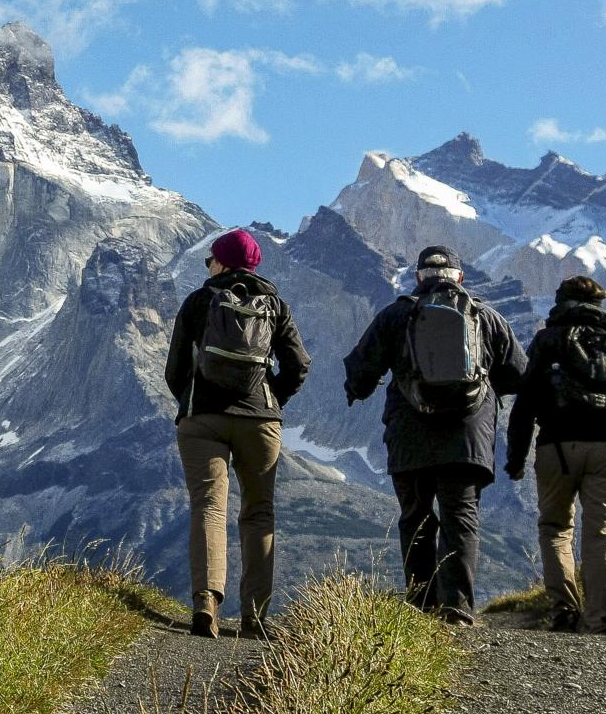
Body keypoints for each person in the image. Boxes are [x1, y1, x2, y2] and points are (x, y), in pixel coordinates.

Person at [343, 245, 527, 625]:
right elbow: (518, 375)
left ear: (418, 278)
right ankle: (457, 608)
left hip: (410, 436)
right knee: (461, 517)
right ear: (460, 277)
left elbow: (361, 369)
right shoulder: (485, 316)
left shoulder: (397, 314)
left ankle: (421, 605)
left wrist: (359, 390)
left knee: (416, 517)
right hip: (467, 437)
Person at [164, 227, 310, 638]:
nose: (208, 266)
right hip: (260, 421)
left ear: (223, 262)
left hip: (202, 419)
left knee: (209, 506)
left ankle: (206, 602)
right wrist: (269, 399)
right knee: (258, 513)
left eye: (210, 259)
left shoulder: (199, 300)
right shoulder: (275, 305)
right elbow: (299, 365)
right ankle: (255, 616)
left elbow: (175, 368)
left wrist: (192, 400)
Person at [505, 274, 606, 634]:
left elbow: (524, 405)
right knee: (601, 532)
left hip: (556, 447)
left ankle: (564, 611)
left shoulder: (548, 341)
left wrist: (515, 458)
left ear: (561, 302)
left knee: (556, 528)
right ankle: (600, 616)